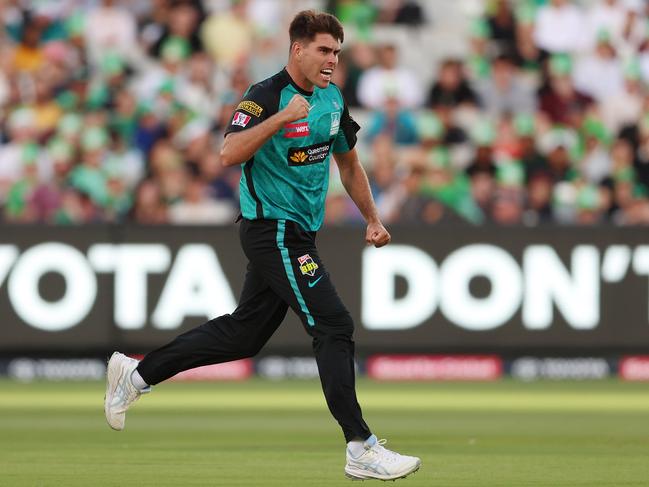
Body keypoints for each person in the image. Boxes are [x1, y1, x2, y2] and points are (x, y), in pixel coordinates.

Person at [104, 10, 421, 482]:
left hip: (298, 232)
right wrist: (278, 120)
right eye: (323, 50)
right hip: (271, 229)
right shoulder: (264, 96)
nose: (332, 59)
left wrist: (372, 218)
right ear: (297, 49)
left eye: (336, 51)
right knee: (334, 324)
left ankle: (135, 376)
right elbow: (228, 152)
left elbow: (350, 165)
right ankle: (361, 446)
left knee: (244, 335)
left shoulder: (332, 99)